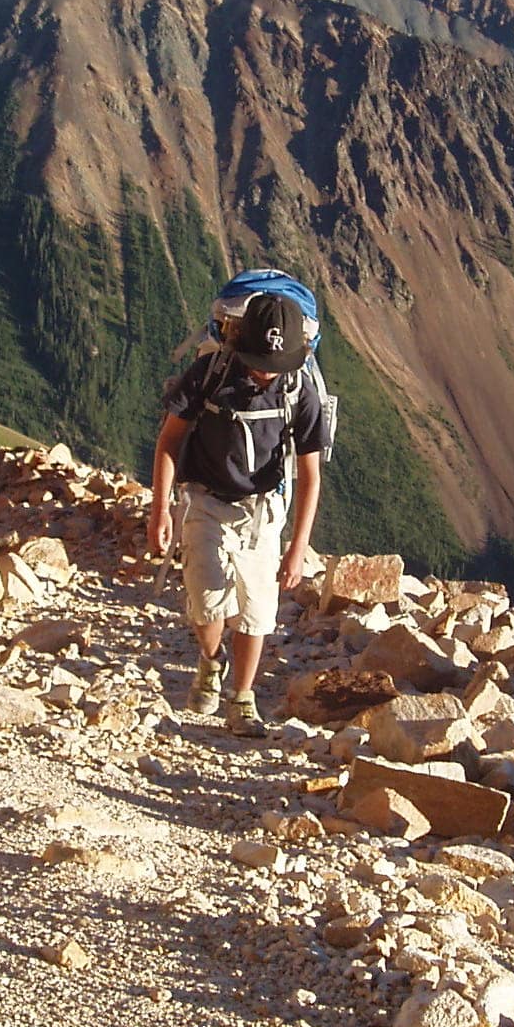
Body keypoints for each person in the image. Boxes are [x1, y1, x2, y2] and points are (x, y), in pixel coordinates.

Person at [147, 289, 332, 736]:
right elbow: (169, 440)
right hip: (207, 501)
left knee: (256, 611)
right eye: (257, 359)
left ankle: (242, 698)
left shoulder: (298, 388)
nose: (266, 371)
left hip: (263, 511)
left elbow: (310, 474)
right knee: (207, 603)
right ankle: (212, 661)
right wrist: (161, 510)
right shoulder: (211, 373)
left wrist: (297, 547)